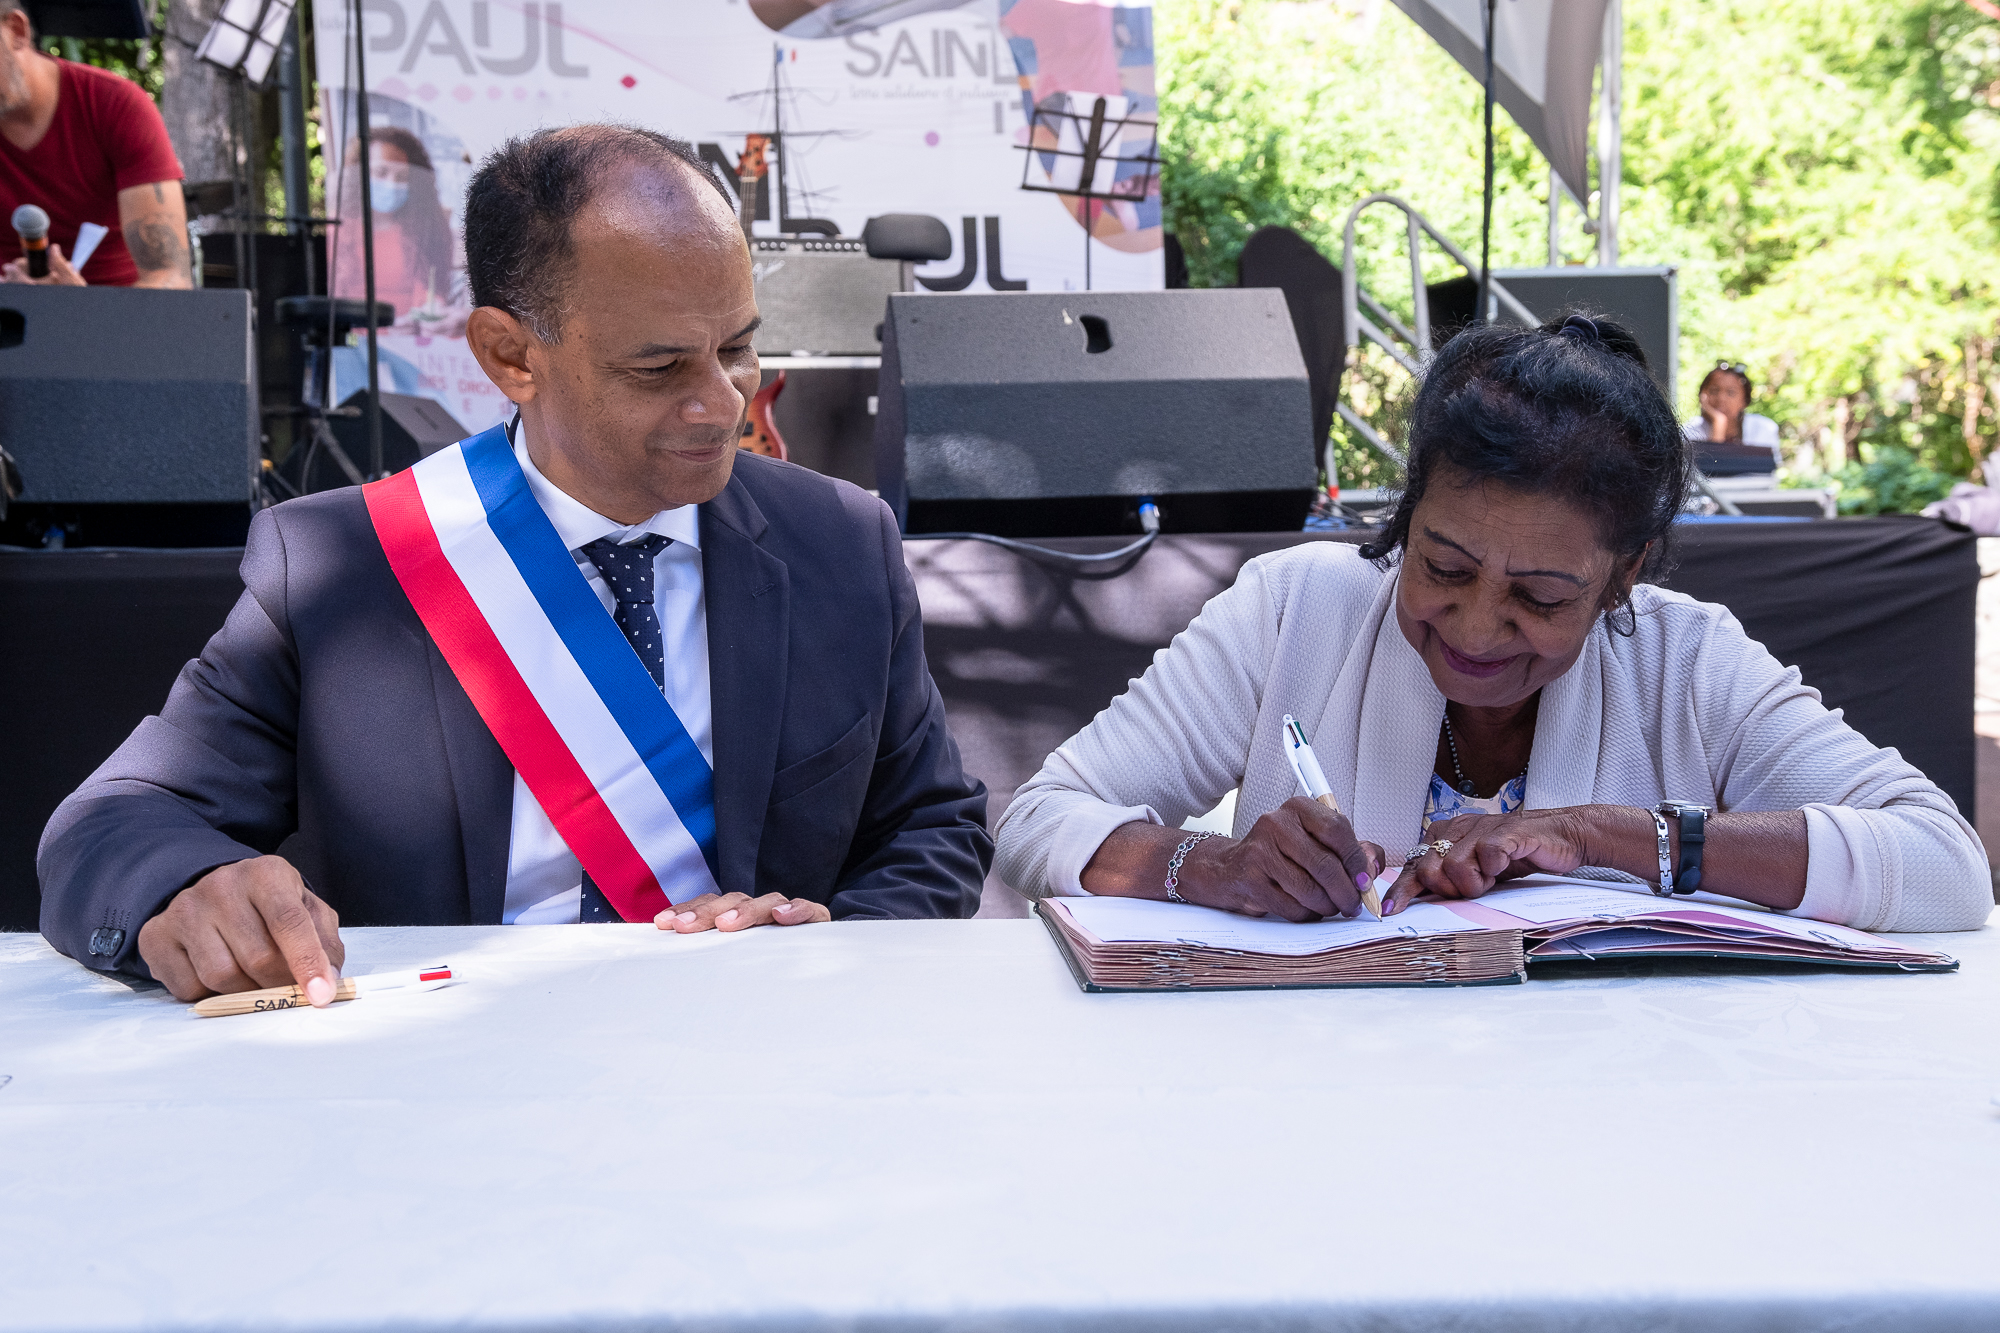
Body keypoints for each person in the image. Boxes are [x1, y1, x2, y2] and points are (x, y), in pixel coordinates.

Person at [38, 125, 992, 1004]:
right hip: (452, 1084)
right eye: (659, 369)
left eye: (738, 347)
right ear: (509, 355)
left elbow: (932, 827)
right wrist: (191, 886)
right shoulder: (343, 563)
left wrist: (832, 942)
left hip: (757, 1060)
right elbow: (111, 823)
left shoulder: (841, 543)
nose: (721, 404)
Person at [995, 315, 1991, 933]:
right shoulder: (1293, 607)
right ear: (1405, 515)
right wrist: (1204, 864)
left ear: (1621, 577)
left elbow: (1944, 867)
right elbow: (1039, 820)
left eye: (1540, 597)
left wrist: (1608, 836)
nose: (1474, 626)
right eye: (1442, 566)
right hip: (1311, 1096)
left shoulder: (1687, 660)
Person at [0, 0, 189, 288]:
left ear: (16, 31)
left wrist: (84, 310)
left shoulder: (116, 105)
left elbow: (170, 276)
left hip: (117, 321)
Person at [332, 127, 461, 332]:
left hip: (412, 346)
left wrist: (434, 309)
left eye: (402, 177)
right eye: (381, 172)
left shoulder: (429, 229)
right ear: (359, 173)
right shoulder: (335, 231)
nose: (392, 184)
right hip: (354, 350)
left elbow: (432, 290)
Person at [1683, 360, 1780, 474]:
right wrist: (1718, 424)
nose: (1721, 398)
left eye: (1731, 393)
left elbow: (1766, 476)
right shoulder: (1689, 431)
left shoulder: (1764, 428)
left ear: (1745, 400)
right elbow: (1703, 480)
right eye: (1714, 391)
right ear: (1702, 396)